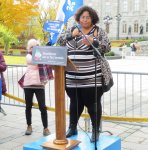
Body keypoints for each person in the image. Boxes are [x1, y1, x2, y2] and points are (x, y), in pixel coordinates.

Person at [58, 6, 111, 142]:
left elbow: (107, 47)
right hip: (71, 77)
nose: (85, 19)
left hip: (92, 77)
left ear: (92, 18)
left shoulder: (98, 31)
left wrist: (95, 41)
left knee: (93, 104)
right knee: (74, 103)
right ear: (79, 18)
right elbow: (60, 41)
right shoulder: (72, 30)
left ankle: (95, 130)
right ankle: (72, 127)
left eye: (88, 17)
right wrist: (72, 35)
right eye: (83, 17)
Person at [22, 39, 53, 136]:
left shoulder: (41, 55)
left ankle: (46, 128)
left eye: (35, 46)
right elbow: (35, 60)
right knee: (28, 106)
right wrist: (42, 53)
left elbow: (43, 60)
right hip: (28, 84)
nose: (33, 48)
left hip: (39, 85)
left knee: (42, 107)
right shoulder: (28, 56)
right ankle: (29, 126)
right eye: (31, 47)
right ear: (28, 48)